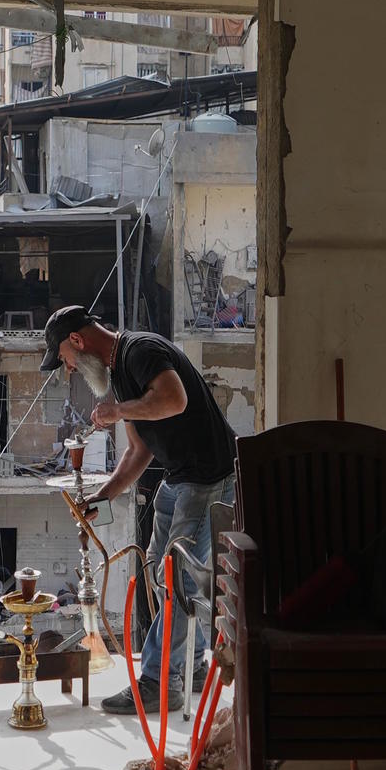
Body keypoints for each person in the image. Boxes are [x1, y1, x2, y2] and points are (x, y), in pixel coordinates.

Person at [44, 305, 239, 716]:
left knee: (176, 577)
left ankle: (159, 682)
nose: (70, 369)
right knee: (159, 571)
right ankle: (191, 664)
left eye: (66, 359)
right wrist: (102, 497)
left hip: (207, 477)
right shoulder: (118, 373)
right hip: (179, 476)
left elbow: (174, 399)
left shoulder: (141, 351)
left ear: (77, 341)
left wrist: (118, 411)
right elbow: (138, 450)